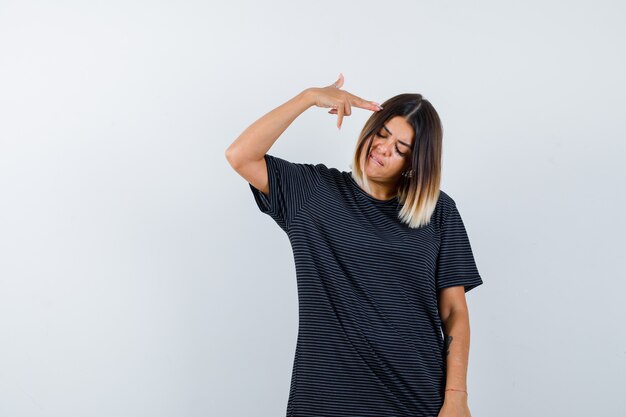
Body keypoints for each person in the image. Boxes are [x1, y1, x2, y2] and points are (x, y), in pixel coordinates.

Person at [225, 73, 483, 417]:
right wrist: (309, 97)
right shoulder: (312, 192)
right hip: (326, 401)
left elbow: (454, 311)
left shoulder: (439, 211)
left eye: (400, 149)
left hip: (417, 399)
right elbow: (240, 155)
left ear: (414, 164)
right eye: (382, 134)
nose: (383, 149)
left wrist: (456, 397)